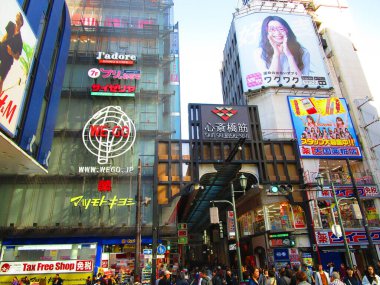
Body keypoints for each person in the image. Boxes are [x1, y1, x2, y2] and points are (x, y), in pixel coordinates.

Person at [0, 12, 24, 94]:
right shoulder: (10, 25)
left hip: (8, 59)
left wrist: (11, 53)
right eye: (16, 17)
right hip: (2, 49)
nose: (16, 20)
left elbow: (17, 57)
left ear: (21, 22)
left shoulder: (20, 41)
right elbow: (5, 36)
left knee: (1, 80)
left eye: (18, 19)